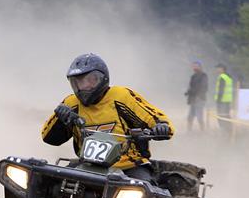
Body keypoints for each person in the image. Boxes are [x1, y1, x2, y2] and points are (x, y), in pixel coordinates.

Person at [41, 53, 174, 182]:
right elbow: (48, 138)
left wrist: (161, 127)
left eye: (90, 80)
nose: (85, 86)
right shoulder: (70, 103)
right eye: (78, 82)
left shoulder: (121, 97)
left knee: (144, 193)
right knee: (51, 184)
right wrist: (60, 118)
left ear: (102, 78)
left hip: (129, 167)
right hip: (87, 166)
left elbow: (157, 119)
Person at [185, 61, 208, 131]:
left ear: (200, 67)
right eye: (193, 66)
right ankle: (189, 131)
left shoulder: (203, 76)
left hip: (199, 99)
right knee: (190, 117)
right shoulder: (193, 76)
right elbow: (191, 87)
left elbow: (203, 87)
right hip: (193, 99)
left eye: (196, 66)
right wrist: (188, 92)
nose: (194, 67)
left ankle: (203, 131)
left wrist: (197, 95)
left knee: (199, 117)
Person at [213, 63, 234, 134]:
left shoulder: (222, 77)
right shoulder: (228, 77)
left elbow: (221, 90)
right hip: (227, 100)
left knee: (221, 117)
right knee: (226, 116)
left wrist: (218, 100)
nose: (216, 69)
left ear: (222, 69)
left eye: (218, 68)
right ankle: (230, 131)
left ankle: (224, 132)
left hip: (222, 101)